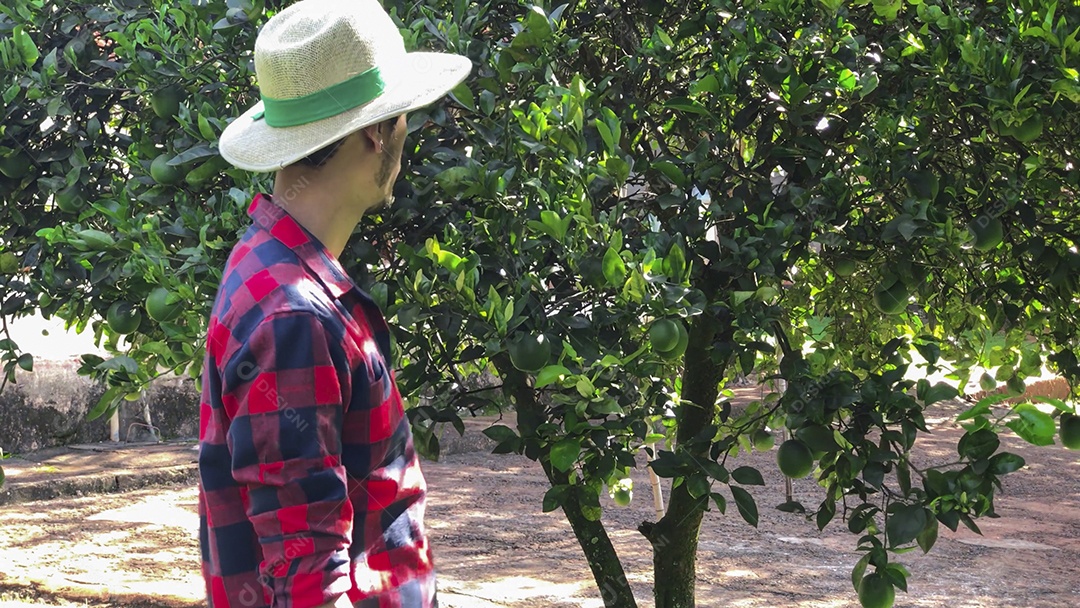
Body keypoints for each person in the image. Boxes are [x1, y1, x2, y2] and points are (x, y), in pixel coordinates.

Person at [197, 1, 471, 607]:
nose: (407, 134)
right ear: (377, 131)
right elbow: (309, 580)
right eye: (404, 118)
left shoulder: (270, 266)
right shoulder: (295, 316)